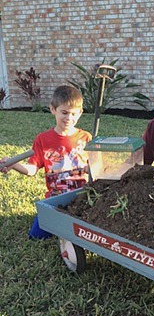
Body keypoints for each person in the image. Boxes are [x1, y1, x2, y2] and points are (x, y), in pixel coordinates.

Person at [0, 85, 92, 239]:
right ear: (52, 109)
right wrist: (14, 164)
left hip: (83, 196)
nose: (69, 118)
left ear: (80, 113)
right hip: (56, 197)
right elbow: (32, 169)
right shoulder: (43, 139)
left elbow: (95, 168)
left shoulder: (86, 138)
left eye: (73, 114)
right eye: (64, 112)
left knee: (87, 233)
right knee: (37, 235)